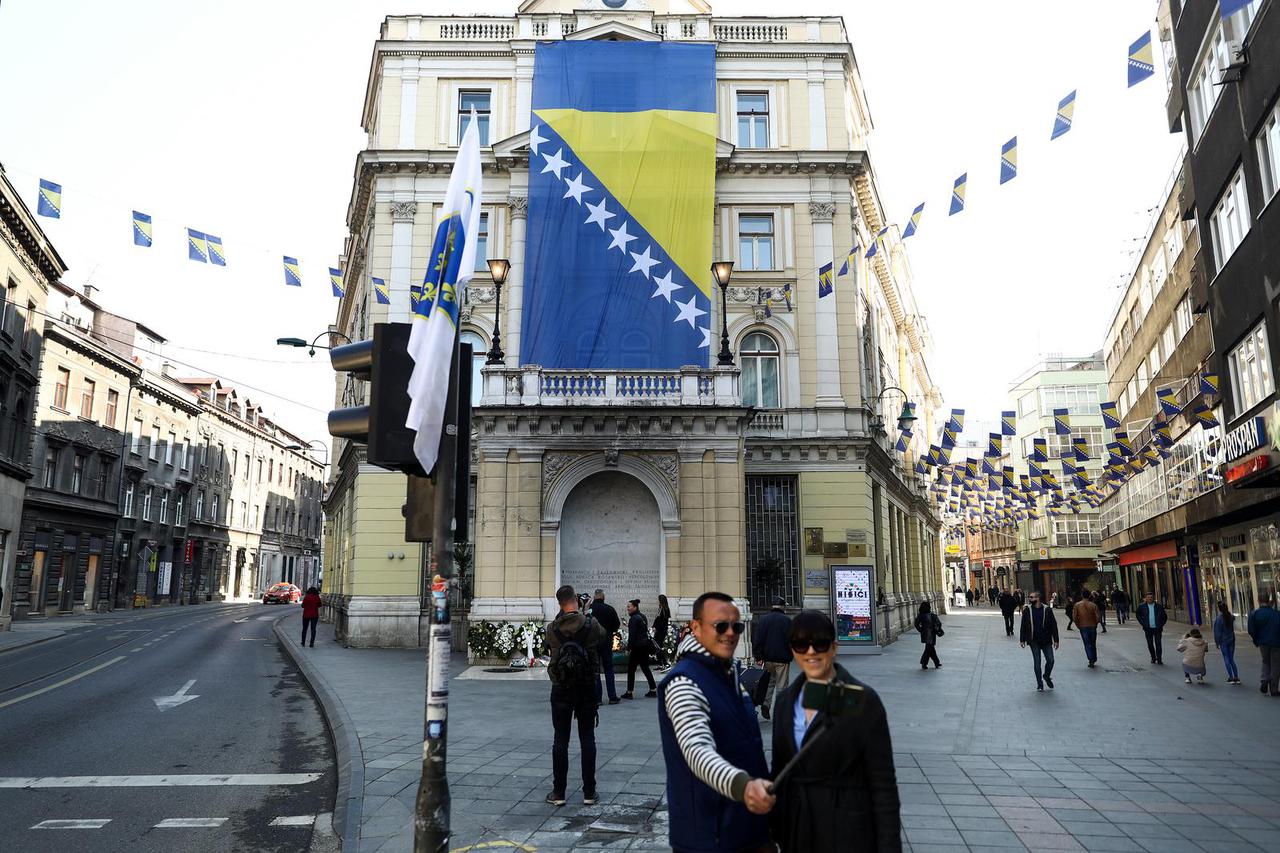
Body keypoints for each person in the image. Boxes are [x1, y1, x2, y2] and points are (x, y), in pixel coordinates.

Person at [770, 611, 901, 852]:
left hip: (846, 832)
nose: (811, 652)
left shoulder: (862, 700)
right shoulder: (785, 701)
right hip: (798, 831)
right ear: (792, 650)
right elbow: (779, 771)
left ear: (834, 647)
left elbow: (883, 785)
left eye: (820, 644)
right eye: (801, 644)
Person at [658, 591, 774, 853]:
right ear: (696, 627)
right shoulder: (683, 683)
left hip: (746, 826)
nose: (730, 633)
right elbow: (697, 750)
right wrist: (744, 786)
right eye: (721, 626)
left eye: (737, 626)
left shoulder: (729, 673)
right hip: (710, 834)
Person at [545, 584, 606, 806]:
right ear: (576, 601)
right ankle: (589, 792)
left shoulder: (552, 628)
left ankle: (558, 792)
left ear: (560, 604)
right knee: (587, 738)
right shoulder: (590, 624)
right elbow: (603, 636)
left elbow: (549, 645)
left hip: (561, 686)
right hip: (586, 686)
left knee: (560, 740)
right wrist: (586, 612)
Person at [751, 596, 793, 721]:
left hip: (767, 658)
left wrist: (758, 656)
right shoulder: (787, 621)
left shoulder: (764, 620)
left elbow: (758, 639)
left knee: (769, 683)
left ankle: (766, 703)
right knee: (782, 686)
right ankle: (780, 710)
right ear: (783, 607)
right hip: (783, 659)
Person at [1020, 590, 1060, 691]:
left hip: (1046, 640)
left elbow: (1053, 625)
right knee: (1037, 662)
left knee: (1051, 660)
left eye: (1032, 597)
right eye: (1030, 597)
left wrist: (1056, 640)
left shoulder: (1047, 610)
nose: (1030, 599)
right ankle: (1039, 684)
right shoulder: (1027, 610)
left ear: (1038, 598)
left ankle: (1046, 675)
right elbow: (1023, 625)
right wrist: (1022, 639)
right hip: (1034, 640)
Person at [588, 589, 622, 706]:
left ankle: (598, 699)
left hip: (593, 644)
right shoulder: (609, 609)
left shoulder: (589, 609)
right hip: (606, 642)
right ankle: (612, 697)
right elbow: (616, 625)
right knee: (608, 669)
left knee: (595, 671)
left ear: (594, 597)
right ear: (603, 597)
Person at [622, 598, 657, 699]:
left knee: (631, 670)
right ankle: (653, 689)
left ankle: (629, 692)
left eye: (629, 606)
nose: (627, 608)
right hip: (644, 646)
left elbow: (632, 636)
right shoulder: (642, 616)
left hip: (637, 648)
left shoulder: (633, 619)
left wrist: (628, 648)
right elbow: (641, 631)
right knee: (645, 668)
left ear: (635, 607)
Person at [1247, 592, 1280, 696]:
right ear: (1268, 601)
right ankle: (1274, 689)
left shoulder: (1254, 614)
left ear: (1258, 601)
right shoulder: (1276, 614)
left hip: (1263, 642)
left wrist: (1256, 640)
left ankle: (1265, 679)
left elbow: (1251, 630)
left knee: (1266, 661)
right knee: (1275, 665)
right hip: (1276, 643)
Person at [1136, 592, 1168, 665]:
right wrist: (1143, 623)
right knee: (1150, 644)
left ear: (1153, 598)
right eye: (1148, 597)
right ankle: (1153, 657)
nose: (1150, 598)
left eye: (1151, 597)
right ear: (1146, 598)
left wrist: (1160, 625)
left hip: (1157, 629)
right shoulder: (1141, 606)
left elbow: (1164, 617)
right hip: (1148, 629)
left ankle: (1159, 659)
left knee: (1158, 644)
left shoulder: (1159, 606)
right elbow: (1138, 615)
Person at [1071, 592, 1101, 668]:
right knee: (1093, 643)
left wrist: (1078, 625)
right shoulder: (1093, 605)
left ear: (1082, 595)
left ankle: (1091, 659)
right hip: (1092, 626)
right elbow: (1098, 617)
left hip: (1083, 626)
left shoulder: (1077, 605)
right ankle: (1093, 658)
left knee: (1087, 644)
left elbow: (1074, 617)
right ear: (1089, 596)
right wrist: (1095, 624)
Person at [1214, 600, 1241, 685]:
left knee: (1226, 658)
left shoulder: (1219, 619)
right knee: (1231, 659)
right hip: (1231, 639)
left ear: (1219, 609)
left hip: (1223, 641)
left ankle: (1231, 677)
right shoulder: (1230, 617)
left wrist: (1217, 642)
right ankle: (1236, 676)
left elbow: (1217, 632)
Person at [914, 601, 943, 670]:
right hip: (931, 634)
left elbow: (916, 624)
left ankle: (935, 662)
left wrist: (921, 630)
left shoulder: (921, 616)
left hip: (925, 634)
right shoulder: (933, 615)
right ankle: (925, 663)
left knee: (930, 648)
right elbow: (939, 624)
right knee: (929, 648)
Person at [653, 594, 673, 670]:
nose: (657, 602)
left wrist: (656, 628)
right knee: (656, 647)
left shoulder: (665, 610)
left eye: (658, 600)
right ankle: (660, 664)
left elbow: (662, 622)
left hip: (661, 631)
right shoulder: (661, 609)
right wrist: (654, 626)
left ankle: (665, 664)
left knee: (658, 647)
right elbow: (657, 619)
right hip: (658, 631)